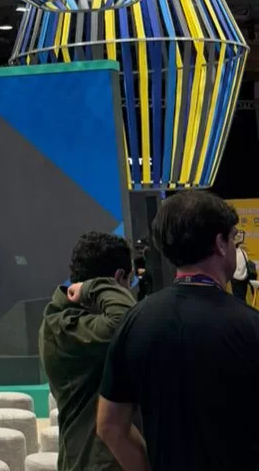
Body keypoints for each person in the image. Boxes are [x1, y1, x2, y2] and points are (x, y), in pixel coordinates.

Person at [98, 191, 259, 470]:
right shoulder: (251, 326)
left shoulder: (135, 322)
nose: (235, 247)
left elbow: (109, 425)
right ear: (220, 243)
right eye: (234, 237)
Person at [39, 231, 134, 471]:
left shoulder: (80, 321)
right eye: (128, 282)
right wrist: (98, 286)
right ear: (119, 277)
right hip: (93, 461)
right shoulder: (63, 325)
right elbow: (124, 324)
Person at [231, 230, 252, 303]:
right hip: (244, 279)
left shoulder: (233, 253)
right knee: (242, 298)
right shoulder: (244, 252)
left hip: (236, 280)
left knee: (237, 300)